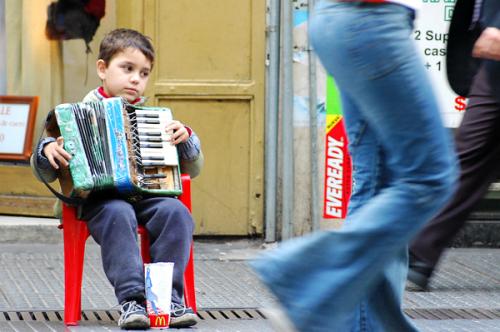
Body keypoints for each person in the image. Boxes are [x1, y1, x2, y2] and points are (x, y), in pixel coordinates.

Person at [251, 1, 457, 331]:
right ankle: (304, 279)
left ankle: (366, 324)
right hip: (371, 20)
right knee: (430, 177)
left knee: (379, 182)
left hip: (341, 21)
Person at [32, 28, 203, 330]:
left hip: (146, 197)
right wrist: (47, 151)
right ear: (102, 69)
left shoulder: (155, 120)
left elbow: (194, 168)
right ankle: (132, 301)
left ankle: (169, 300)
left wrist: (186, 140)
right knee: (117, 212)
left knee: (176, 213)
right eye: (127, 68)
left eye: (144, 72)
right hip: (99, 202)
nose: (136, 79)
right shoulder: (72, 117)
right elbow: (45, 170)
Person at [409, 0, 500, 290]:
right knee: (470, 154)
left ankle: (418, 256)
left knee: (471, 153)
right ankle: (419, 256)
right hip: (492, 63)